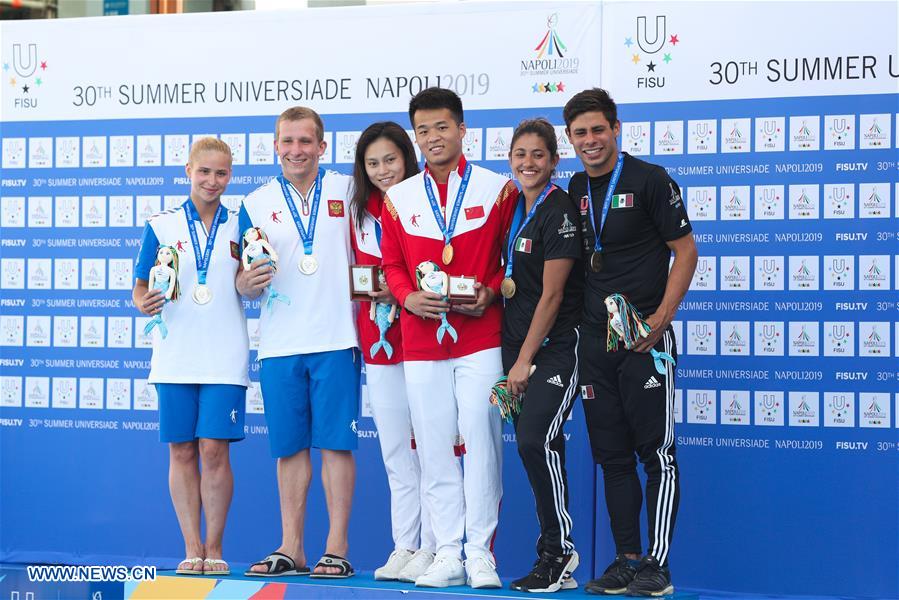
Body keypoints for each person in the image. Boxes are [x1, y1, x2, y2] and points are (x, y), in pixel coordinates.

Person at [380, 87, 518, 589]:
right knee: (434, 446)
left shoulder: (497, 189)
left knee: (481, 441)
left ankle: (481, 552)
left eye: (442, 127)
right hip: (420, 341)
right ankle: (447, 551)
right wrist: (405, 297)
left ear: (462, 130)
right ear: (415, 137)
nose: (433, 138)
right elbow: (391, 264)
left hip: (480, 335)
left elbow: (512, 255)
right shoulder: (399, 198)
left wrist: (492, 290)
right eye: (423, 130)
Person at [563, 88, 697, 597]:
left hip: (646, 340)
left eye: (599, 130)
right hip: (596, 345)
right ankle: (626, 559)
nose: (591, 140)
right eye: (581, 133)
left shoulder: (650, 180)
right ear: (571, 138)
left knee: (656, 454)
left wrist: (662, 319)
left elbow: (685, 252)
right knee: (612, 457)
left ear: (616, 129)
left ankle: (656, 566)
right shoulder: (575, 187)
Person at [238, 106, 359, 579]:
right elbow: (242, 278)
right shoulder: (255, 200)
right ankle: (291, 546)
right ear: (275, 145)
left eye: (305, 141)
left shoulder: (348, 189)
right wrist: (246, 283)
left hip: (336, 336)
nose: (295, 150)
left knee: (335, 445)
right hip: (279, 343)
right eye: (287, 141)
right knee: (288, 448)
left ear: (322, 146)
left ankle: (337, 546)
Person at [133, 137, 249, 577]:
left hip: (225, 352)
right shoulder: (160, 225)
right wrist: (143, 302)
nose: (212, 181)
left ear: (230, 175)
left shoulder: (242, 221)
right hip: (175, 354)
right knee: (182, 451)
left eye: (221, 173)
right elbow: (140, 286)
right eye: (205, 172)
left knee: (215, 450)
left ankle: (215, 546)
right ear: (188, 171)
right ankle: (191, 546)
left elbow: (248, 277)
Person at [349, 122, 436, 582]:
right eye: (373, 163)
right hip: (379, 343)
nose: (383, 170)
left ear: (407, 157)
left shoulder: (427, 204)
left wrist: (402, 288)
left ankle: (439, 547)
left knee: (435, 448)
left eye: (391, 160)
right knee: (396, 451)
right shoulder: (358, 211)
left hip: (426, 339)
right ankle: (406, 544)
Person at [500, 118, 584, 593]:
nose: (528, 163)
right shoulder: (513, 206)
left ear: (553, 161)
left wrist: (522, 360)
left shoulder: (560, 211)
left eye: (538, 155)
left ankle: (559, 551)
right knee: (536, 448)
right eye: (520, 155)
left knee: (537, 441)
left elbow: (552, 296)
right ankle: (555, 554)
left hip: (556, 348)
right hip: (516, 348)